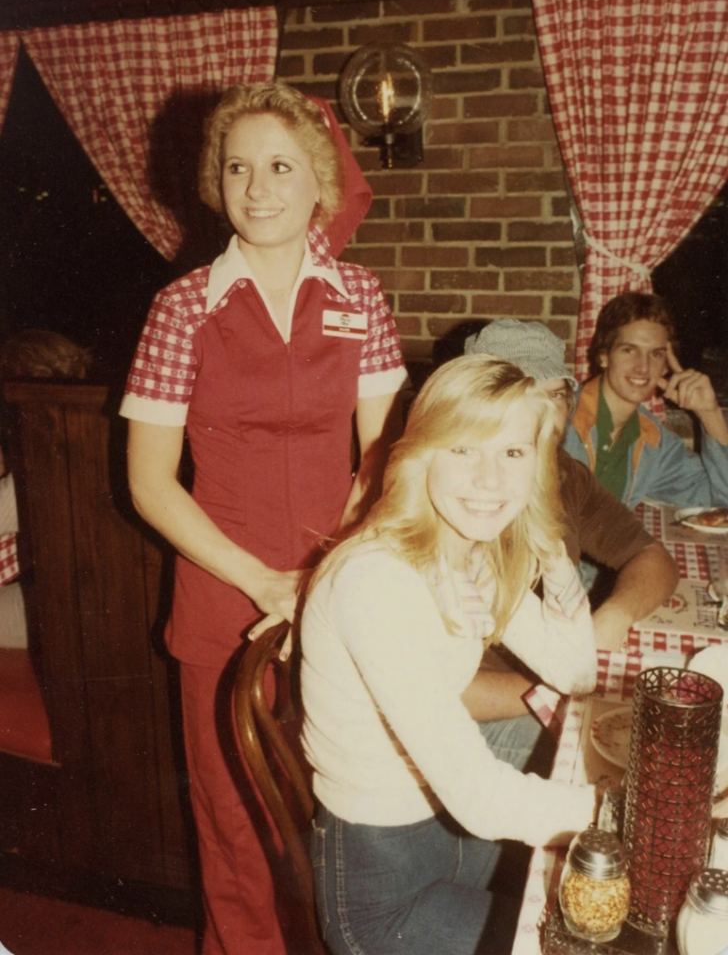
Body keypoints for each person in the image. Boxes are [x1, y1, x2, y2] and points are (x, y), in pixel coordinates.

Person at [120, 82, 408, 955]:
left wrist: (320, 578)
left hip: (342, 598)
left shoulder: (361, 296)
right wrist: (261, 582)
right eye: (238, 167)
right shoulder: (182, 309)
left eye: (280, 165)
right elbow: (149, 482)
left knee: (348, 821)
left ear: (318, 179)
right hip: (220, 606)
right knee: (237, 836)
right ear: (216, 182)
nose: (258, 186)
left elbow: (384, 457)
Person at [301, 355, 599, 955]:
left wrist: (551, 552)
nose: (490, 480)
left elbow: (576, 671)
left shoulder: (466, 549)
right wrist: (629, 815)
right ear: (420, 454)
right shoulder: (377, 580)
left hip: (454, 835)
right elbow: (482, 798)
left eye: (513, 454)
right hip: (383, 890)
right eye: (463, 449)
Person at [464, 319, 679, 652]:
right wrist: (556, 680)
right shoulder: (452, 486)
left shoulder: (563, 473)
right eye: (527, 394)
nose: (547, 412)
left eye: (556, 395)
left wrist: (613, 616)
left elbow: (651, 556)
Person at [564, 292, 728, 509]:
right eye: (629, 350)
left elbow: (721, 499)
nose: (643, 367)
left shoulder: (653, 441)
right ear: (604, 356)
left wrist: (710, 413)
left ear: (666, 366)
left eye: (656, 354)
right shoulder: (560, 415)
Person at [0, 330, 94, 649]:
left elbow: (5, 512)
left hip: (73, 611)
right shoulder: (82, 425)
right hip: (70, 592)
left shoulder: (52, 445)